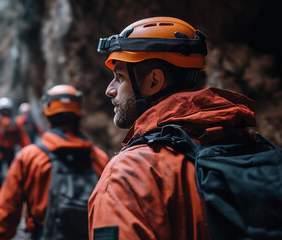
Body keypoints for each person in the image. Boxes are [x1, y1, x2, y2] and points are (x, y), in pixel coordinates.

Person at [88, 16, 258, 239]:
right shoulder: (246, 143)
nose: (109, 90)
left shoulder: (130, 173)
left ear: (154, 81)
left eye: (119, 77)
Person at [0, 84, 109, 240]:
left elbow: (6, 211)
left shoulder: (30, 157)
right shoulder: (99, 158)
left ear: (46, 114)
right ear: (79, 114)